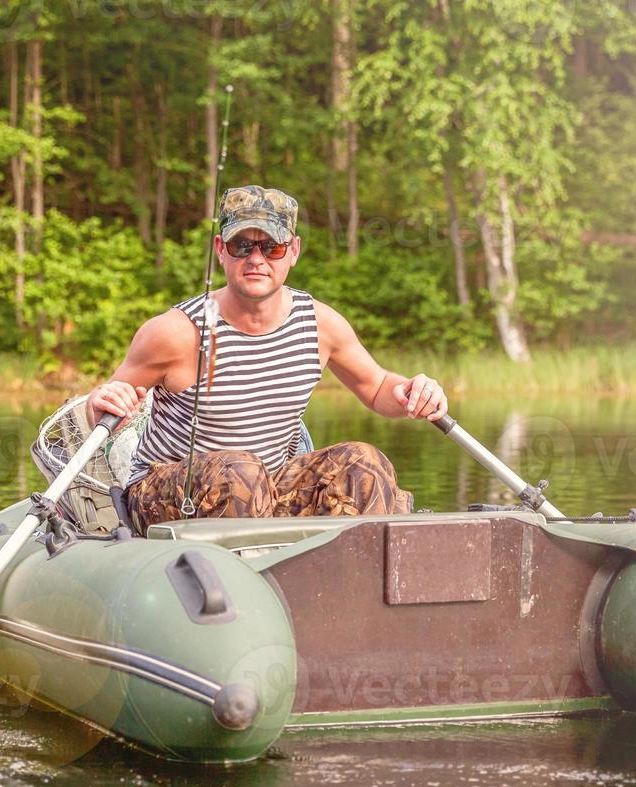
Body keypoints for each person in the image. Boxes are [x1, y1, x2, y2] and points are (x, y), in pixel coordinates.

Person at [88, 184, 448, 534]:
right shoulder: (175, 332)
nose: (256, 259)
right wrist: (101, 402)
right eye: (242, 245)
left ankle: (357, 584)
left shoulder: (319, 324)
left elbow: (379, 388)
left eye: (272, 247)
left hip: (269, 486)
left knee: (364, 463)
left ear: (293, 251)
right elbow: (104, 413)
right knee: (240, 470)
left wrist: (414, 390)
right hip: (165, 496)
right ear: (220, 250)